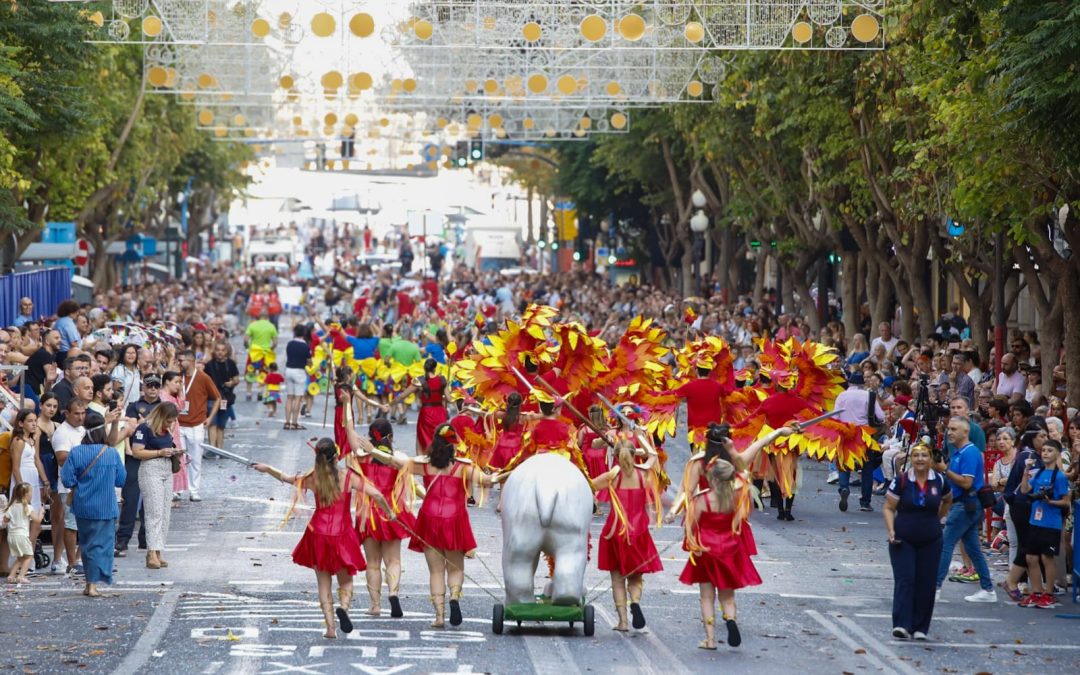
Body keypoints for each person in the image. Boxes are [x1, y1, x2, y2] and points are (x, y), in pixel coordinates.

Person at [252, 438, 393, 639]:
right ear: (336, 457)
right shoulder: (348, 477)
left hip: (318, 533)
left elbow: (285, 478)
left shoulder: (311, 478)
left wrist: (267, 469)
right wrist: (389, 513)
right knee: (346, 581)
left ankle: (330, 629)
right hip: (342, 533)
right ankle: (344, 607)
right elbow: (377, 495)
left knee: (323, 583)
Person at [384, 424, 502, 627]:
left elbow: (395, 462)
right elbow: (488, 481)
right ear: (454, 444)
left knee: (436, 571)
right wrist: (514, 470)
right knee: (455, 568)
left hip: (429, 518)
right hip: (454, 518)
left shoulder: (426, 465)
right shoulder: (464, 467)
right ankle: (454, 598)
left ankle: (439, 616)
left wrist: (371, 450)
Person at [883, 443, 951, 640]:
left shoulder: (939, 480)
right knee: (906, 579)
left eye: (924, 455)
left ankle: (921, 627)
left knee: (926, 582)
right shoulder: (901, 481)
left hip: (931, 538)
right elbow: (888, 507)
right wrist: (891, 530)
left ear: (930, 459)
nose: (920, 459)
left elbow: (948, 500)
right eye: (916, 456)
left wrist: (938, 519)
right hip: (903, 538)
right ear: (910, 459)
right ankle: (902, 624)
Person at [591, 438, 660, 632]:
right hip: (639, 531)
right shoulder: (643, 474)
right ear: (634, 454)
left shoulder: (611, 476)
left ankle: (622, 621)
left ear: (615, 456)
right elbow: (653, 455)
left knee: (617, 578)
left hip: (616, 529)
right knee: (636, 577)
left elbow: (589, 485)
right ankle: (635, 601)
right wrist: (639, 436)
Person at [350, 418, 417, 618]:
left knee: (372, 562)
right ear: (391, 436)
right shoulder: (398, 458)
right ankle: (393, 592)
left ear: (370, 437)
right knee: (393, 559)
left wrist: (345, 403)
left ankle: (375, 605)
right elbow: (404, 467)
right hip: (391, 511)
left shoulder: (361, 457)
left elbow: (348, 429)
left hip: (367, 512)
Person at [59, 409, 126, 597]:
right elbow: (121, 480)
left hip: (83, 506)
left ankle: (89, 583)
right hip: (106, 506)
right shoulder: (111, 454)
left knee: (87, 544)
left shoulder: (76, 452)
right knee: (103, 545)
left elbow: (67, 480)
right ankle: (93, 584)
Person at [933, 416, 997, 603]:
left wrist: (944, 470)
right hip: (964, 504)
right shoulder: (959, 452)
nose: (949, 432)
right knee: (973, 548)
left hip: (965, 504)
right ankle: (988, 589)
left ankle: (935, 587)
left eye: (953, 429)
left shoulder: (969, 452)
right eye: (949, 429)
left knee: (946, 544)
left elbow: (967, 482)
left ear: (965, 432)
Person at [1016, 439, 1071, 608]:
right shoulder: (1038, 473)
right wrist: (1026, 471)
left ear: (1057, 454)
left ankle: (1048, 593)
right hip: (1035, 521)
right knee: (1031, 558)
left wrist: (1050, 501)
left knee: (1046, 558)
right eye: (1044, 450)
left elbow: (1065, 501)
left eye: (1050, 450)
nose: (1045, 453)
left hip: (1051, 523)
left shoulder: (1060, 477)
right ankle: (1036, 592)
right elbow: (1025, 490)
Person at [131, 403, 183, 570]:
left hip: (166, 469)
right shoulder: (144, 428)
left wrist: (174, 452)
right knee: (154, 512)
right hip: (150, 468)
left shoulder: (166, 430)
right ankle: (151, 551)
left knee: (165, 512)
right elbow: (137, 452)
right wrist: (159, 453)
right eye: (169, 421)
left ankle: (159, 549)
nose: (170, 424)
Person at [834, 372, 885, 513]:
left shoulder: (842, 395)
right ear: (863, 383)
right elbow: (880, 416)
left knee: (844, 465)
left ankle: (844, 488)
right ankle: (865, 502)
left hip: (846, 433)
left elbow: (835, 416)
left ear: (849, 383)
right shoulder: (869, 395)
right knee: (867, 469)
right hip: (864, 434)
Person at [177, 349, 221, 502]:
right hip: (178, 423)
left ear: (191, 361)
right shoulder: (177, 377)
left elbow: (217, 398)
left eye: (182, 360)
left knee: (195, 459)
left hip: (196, 424)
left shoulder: (203, 377)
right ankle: (177, 489)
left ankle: (194, 490)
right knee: (178, 458)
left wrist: (210, 418)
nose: (180, 363)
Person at [51, 399, 88, 576]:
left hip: (86, 483)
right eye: (77, 414)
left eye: (83, 413)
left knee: (86, 524)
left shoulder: (82, 429)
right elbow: (62, 457)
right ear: (67, 413)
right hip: (69, 486)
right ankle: (72, 563)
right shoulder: (62, 432)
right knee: (71, 525)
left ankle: (80, 560)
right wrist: (86, 456)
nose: (81, 417)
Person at [389, 358, 446, 455]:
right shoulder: (442, 380)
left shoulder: (420, 381)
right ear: (435, 368)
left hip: (426, 412)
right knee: (440, 437)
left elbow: (403, 395)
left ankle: (420, 461)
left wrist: (389, 404)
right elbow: (449, 398)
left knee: (421, 437)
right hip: (440, 412)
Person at [8, 408, 45, 552]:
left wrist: (45, 481)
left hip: (33, 479)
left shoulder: (31, 439)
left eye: (35, 421)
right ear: (21, 423)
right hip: (23, 478)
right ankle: (24, 557)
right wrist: (21, 488)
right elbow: (16, 468)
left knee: (35, 520)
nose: (34, 424)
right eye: (30, 421)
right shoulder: (18, 441)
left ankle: (29, 557)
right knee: (23, 521)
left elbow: (37, 460)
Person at [4, 482, 42, 584]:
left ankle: (11, 576)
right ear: (26, 495)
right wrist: (42, 513)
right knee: (29, 556)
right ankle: (21, 576)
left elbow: (5, 519)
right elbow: (37, 520)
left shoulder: (12, 507)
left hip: (11, 536)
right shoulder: (28, 508)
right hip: (22, 536)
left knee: (20, 558)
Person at [203, 342, 240, 448]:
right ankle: (212, 449)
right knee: (212, 424)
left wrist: (232, 383)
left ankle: (220, 448)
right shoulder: (209, 365)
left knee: (221, 426)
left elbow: (236, 378)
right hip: (212, 398)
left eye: (222, 350)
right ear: (214, 351)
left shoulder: (231, 364)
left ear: (227, 351)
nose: (220, 352)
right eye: (218, 350)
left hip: (226, 399)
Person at [243, 307, 278, 402]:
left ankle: (249, 392)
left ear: (259, 316)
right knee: (263, 373)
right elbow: (275, 343)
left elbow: (246, 340)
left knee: (250, 372)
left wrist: (247, 348)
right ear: (267, 316)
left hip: (254, 353)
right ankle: (260, 392)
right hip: (265, 354)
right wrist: (270, 349)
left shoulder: (252, 325)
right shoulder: (271, 326)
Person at [284, 324, 312, 430]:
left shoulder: (290, 343)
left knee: (289, 397)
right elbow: (309, 362)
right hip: (299, 372)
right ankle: (294, 422)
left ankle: (287, 422)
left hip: (288, 370)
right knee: (298, 398)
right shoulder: (305, 346)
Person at [110, 344, 141, 410]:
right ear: (123, 354)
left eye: (133, 353)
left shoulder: (136, 370)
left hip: (135, 406)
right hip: (123, 407)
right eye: (128, 353)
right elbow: (116, 390)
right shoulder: (119, 369)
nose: (131, 355)